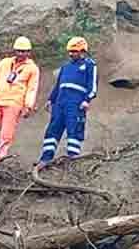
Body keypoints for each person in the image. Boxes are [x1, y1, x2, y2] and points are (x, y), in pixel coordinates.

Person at [0, 37, 41, 162]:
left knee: (7, 132)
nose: (22, 53)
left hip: (13, 103)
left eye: (25, 51)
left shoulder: (32, 68)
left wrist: (28, 106)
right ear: (14, 51)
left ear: (29, 52)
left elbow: (32, 88)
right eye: (19, 51)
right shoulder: (5, 63)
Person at [36, 38, 96, 168]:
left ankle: (72, 160)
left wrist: (87, 100)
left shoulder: (89, 64)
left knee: (74, 129)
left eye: (74, 51)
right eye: (70, 51)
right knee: (53, 129)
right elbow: (58, 85)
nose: (71, 54)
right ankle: (45, 159)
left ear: (82, 51)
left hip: (76, 103)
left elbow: (93, 85)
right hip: (60, 102)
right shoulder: (65, 67)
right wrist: (51, 100)